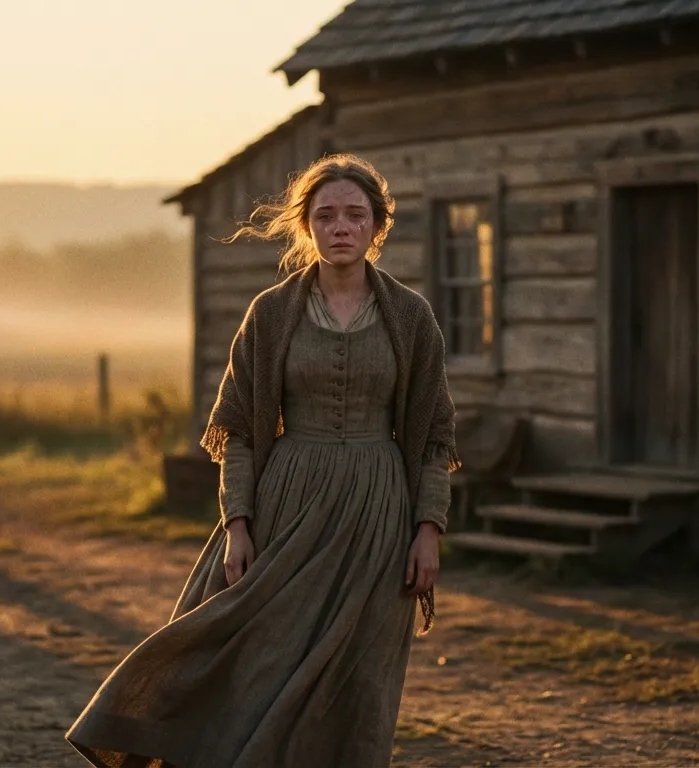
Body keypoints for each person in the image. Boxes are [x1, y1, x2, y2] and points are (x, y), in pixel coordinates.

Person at [64, 153, 460, 768]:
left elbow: (435, 437)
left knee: (358, 679)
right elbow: (239, 433)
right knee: (259, 660)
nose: (340, 227)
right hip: (286, 509)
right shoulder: (270, 314)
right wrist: (238, 525)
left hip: (378, 517)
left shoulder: (411, 318)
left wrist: (427, 531)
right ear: (306, 226)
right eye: (325, 215)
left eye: (356, 215)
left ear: (377, 226)